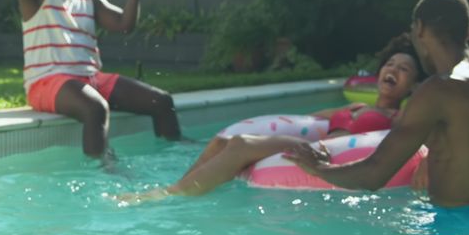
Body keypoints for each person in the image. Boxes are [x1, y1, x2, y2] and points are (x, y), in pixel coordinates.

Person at [122, 35, 424, 201]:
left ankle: (169, 195)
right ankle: (185, 183)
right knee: (224, 140)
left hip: (327, 153)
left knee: (240, 143)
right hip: (314, 141)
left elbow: (415, 138)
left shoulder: (400, 117)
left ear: (413, 85)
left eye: (404, 69)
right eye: (390, 64)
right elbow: (305, 120)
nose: (393, 71)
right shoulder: (356, 106)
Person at [285, 0, 469, 208]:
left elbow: (374, 175)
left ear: (420, 28)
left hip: (450, 227)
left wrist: (318, 167)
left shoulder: (439, 89)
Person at [8, 0, 181, 162]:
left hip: (90, 79)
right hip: (46, 81)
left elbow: (123, 25)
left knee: (162, 102)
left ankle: (176, 158)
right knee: (95, 108)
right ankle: (103, 172)